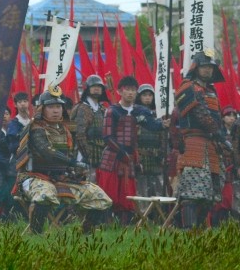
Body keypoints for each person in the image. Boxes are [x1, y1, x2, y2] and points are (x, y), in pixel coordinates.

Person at [13, 85, 111, 233]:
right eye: (51, 106)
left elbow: (69, 158)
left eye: (58, 106)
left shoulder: (66, 130)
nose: (56, 110)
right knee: (45, 195)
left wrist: (74, 170)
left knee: (100, 197)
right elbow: (47, 152)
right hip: (33, 178)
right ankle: (36, 233)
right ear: (42, 109)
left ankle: (86, 232)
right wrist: (73, 162)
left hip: (60, 179)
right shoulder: (35, 128)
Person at [97, 75, 165, 224]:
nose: (130, 93)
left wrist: (164, 124)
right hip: (112, 159)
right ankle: (105, 226)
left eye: (133, 90)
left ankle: (125, 227)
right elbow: (108, 137)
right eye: (127, 89)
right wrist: (122, 153)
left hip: (129, 159)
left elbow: (152, 125)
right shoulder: (112, 111)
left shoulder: (139, 111)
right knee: (110, 195)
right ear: (120, 91)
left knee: (128, 195)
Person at [174, 52, 230, 229]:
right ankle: (189, 232)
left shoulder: (211, 92)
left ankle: (200, 233)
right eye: (205, 66)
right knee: (192, 193)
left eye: (210, 67)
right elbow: (200, 114)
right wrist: (219, 135)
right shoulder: (188, 87)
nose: (208, 70)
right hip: (194, 143)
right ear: (196, 67)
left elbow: (217, 119)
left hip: (211, 145)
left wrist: (220, 137)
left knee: (209, 195)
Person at [135, 83, 169, 199]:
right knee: (141, 185)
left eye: (150, 95)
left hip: (156, 156)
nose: (148, 97)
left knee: (158, 186)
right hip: (141, 155)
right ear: (139, 97)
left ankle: (159, 214)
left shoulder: (159, 115)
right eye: (144, 95)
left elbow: (164, 137)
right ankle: (142, 213)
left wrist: (164, 154)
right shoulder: (134, 113)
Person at [71, 74, 108, 171]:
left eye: (99, 86)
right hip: (84, 156)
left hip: (101, 154)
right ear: (88, 89)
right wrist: (87, 155)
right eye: (93, 86)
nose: (97, 88)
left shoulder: (102, 109)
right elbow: (79, 135)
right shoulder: (83, 108)